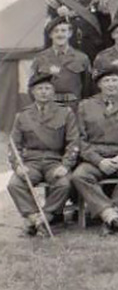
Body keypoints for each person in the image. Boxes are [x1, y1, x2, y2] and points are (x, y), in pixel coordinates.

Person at [71, 66, 118, 235]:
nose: (111, 84)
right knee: (80, 175)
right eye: (106, 81)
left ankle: (117, 212)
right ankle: (109, 215)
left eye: (115, 80)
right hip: (96, 157)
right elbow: (80, 140)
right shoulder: (85, 105)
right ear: (99, 85)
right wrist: (99, 161)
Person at [7, 73, 80, 236]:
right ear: (33, 92)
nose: (44, 92)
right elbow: (14, 145)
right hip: (31, 163)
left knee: (64, 184)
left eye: (47, 88)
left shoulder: (65, 113)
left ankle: (45, 216)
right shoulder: (23, 115)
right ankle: (34, 217)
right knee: (14, 184)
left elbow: (73, 142)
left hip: (55, 161)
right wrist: (18, 166)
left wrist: (65, 165)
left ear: (53, 91)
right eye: (40, 89)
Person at [32, 16, 92, 111]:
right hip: (48, 107)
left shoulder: (81, 58)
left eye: (63, 31)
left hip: (73, 107)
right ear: (50, 35)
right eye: (56, 31)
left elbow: (87, 86)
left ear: (70, 33)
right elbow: (32, 86)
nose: (60, 34)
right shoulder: (40, 58)